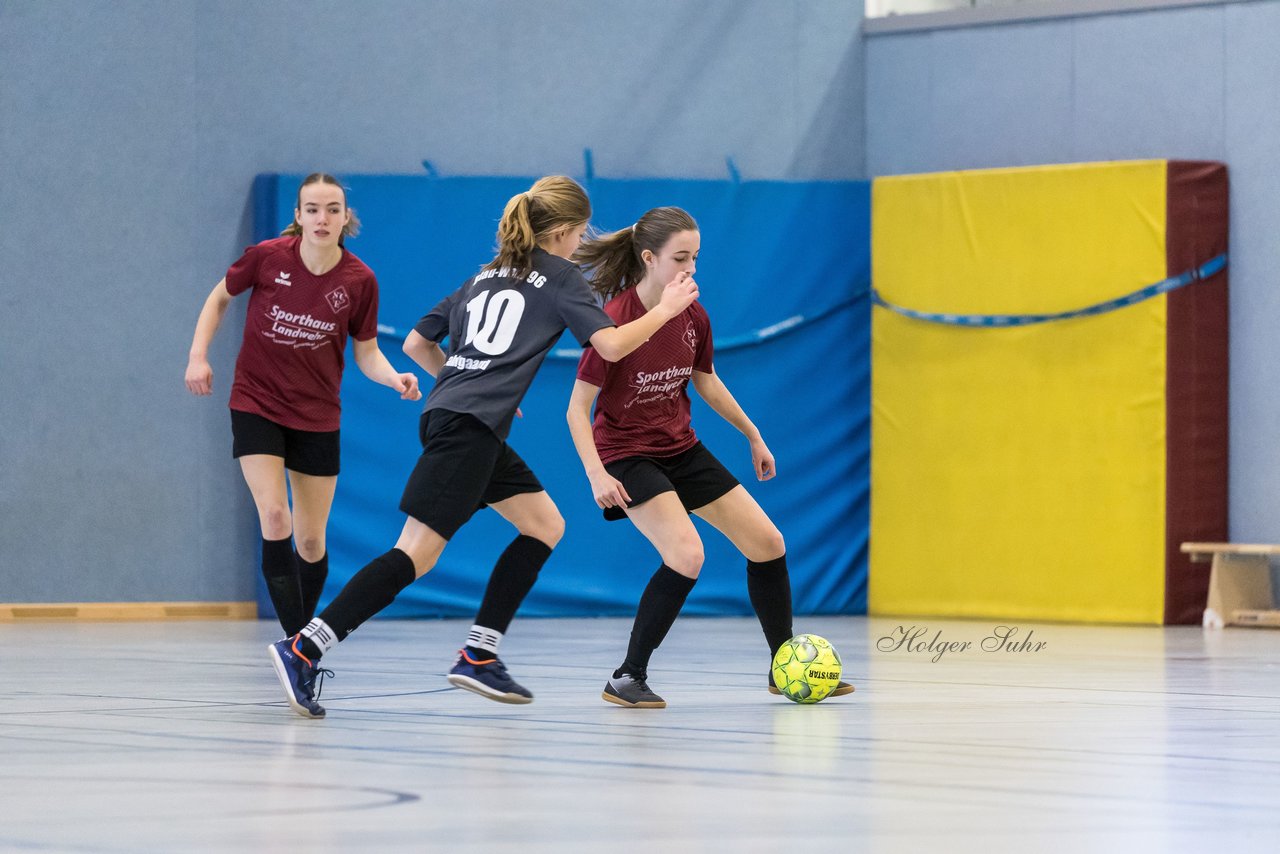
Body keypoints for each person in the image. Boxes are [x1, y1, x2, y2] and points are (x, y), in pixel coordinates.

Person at [268, 176, 700, 718]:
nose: (579, 241)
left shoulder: (483, 276)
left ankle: (479, 653)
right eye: (579, 232)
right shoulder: (560, 277)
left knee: (544, 524)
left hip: (461, 420)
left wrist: (468, 383)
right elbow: (611, 346)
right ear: (564, 232)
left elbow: (415, 343)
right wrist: (665, 310)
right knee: (414, 555)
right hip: (467, 430)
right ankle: (306, 646)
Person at [566, 206, 854, 708]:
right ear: (650, 258)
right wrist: (595, 473)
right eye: (680, 258)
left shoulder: (694, 315)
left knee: (767, 542)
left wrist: (753, 434)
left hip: (680, 447)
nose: (691, 269)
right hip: (626, 454)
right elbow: (577, 408)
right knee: (687, 554)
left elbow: (705, 380)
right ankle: (627, 677)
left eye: (696, 257)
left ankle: (783, 666)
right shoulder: (614, 321)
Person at [186, 173, 421, 639]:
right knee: (275, 516)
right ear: (298, 216)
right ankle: (298, 645)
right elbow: (219, 298)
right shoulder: (267, 258)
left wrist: (395, 378)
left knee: (311, 540)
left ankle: (300, 647)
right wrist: (198, 356)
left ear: (344, 218)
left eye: (332, 209)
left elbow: (367, 352)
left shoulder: (359, 280)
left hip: (316, 415)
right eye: (312, 209)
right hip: (256, 402)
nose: (322, 218)